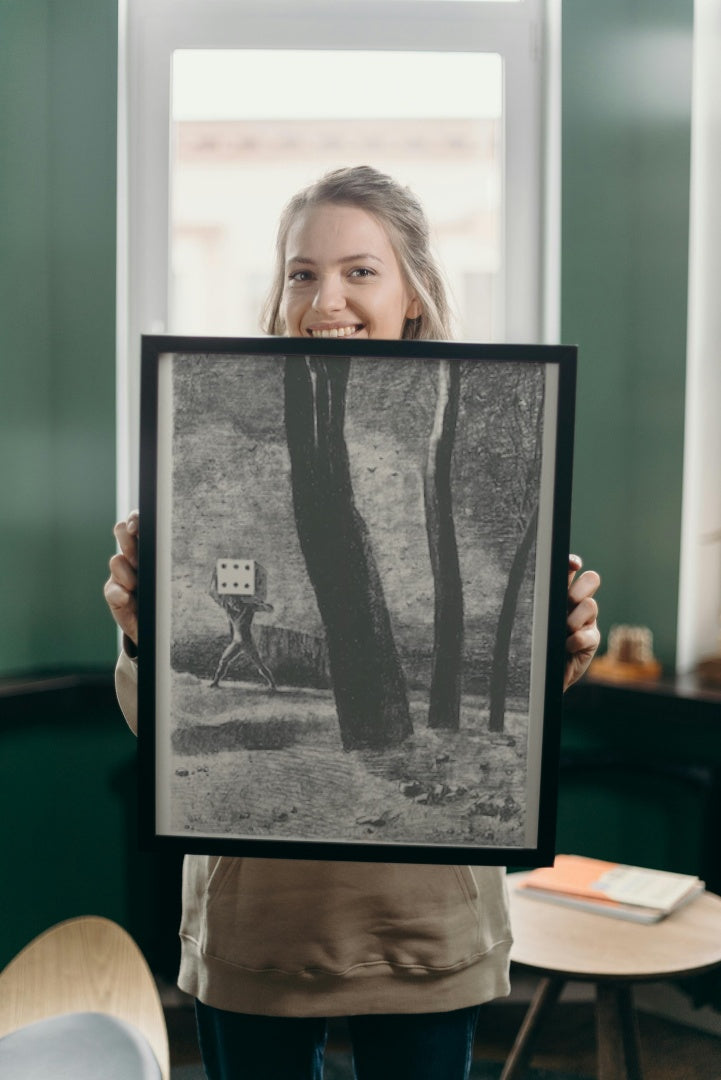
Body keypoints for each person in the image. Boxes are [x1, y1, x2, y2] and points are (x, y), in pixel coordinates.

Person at [105, 166, 601, 1080]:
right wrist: (139, 633)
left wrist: (557, 653)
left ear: (412, 292)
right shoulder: (193, 432)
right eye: (301, 272)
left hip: (426, 926)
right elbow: (160, 733)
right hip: (255, 929)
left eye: (359, 271)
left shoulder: (503, 413)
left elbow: (526, 720)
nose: (324, 297)